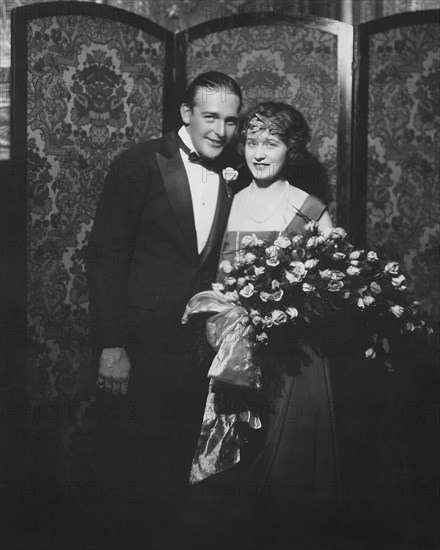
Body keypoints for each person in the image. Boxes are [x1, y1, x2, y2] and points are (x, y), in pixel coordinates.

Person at [85, 71, 242, 547]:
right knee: (131, 470)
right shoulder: (138, 162)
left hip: (202, 351)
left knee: (182, 470)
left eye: (231, 120)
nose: (220, 130)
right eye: (210, 116)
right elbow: (105, 256)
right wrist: (112, 344)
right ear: (186, 114)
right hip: (141, 344)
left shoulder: (237, 172)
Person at [184, 102, 340, 550]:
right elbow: (214, 278)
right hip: (233, 355)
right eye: (252, 142)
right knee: (234, 467)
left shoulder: (310, 208)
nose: (258, 152)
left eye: (270, 143)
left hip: (294, 361)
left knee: (286, 469)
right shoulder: (229, 203)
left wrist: (287, 309)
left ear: (291, 150)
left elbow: (334, 285)